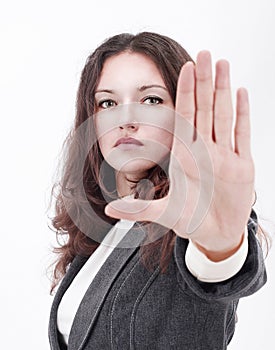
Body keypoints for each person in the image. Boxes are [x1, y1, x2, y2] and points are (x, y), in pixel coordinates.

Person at [48, 32, 268, 350]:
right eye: (108, 102)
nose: (126, 119)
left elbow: (218, 274)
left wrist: (220, 248)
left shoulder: (191, 221)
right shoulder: (107, 230)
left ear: (184, 112)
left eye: (151, 100)